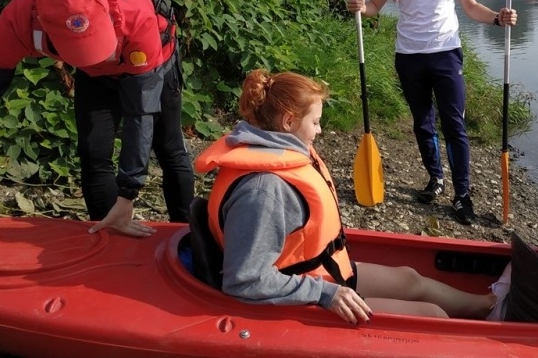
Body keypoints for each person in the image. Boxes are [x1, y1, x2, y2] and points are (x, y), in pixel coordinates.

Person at [194, 69, 497, 322]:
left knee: (410, 278)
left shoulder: (276, 150)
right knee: (433, 317)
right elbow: (245, 279)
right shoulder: (264, 191)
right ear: (288, 122)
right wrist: (324, 294)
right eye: (315, 122)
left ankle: (490, 306)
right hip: (302, 298)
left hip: (323, 272)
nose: (321, 130)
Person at [0, 0, 194, 237]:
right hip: (93, 78)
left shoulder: (136, 16)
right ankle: (107, 233)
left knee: (168, 147)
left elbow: (141, 116)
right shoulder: (20, 18)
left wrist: (128, 194)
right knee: (93, 150)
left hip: (150, 62)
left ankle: (187, 232)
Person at [346, 0, 517, 225]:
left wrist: (497, 18)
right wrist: (359, 6)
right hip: (409, 57)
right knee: (423, 122)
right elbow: (374, 8)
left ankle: (462, 194)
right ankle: (435, 179)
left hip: (446, 53)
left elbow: (471, 6)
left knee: (455, 125)